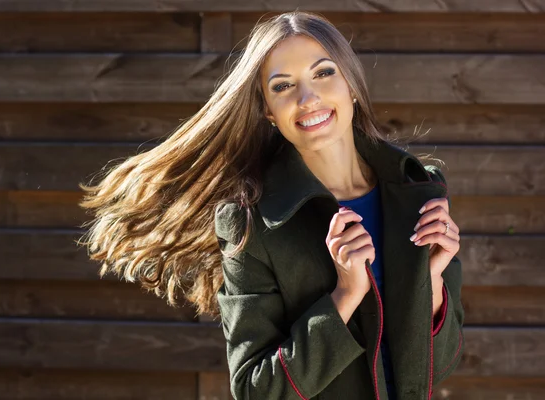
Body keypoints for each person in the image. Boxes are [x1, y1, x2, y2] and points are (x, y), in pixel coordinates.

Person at [78, 11, 465, 400]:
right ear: (267, 110)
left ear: (351, 84)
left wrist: (430, 283)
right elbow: (255, 390)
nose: (308, 98)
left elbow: (435, 369)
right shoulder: (250, 223)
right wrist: (344, 296)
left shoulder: (419, 190)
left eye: (324, 73)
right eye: (283, 86)